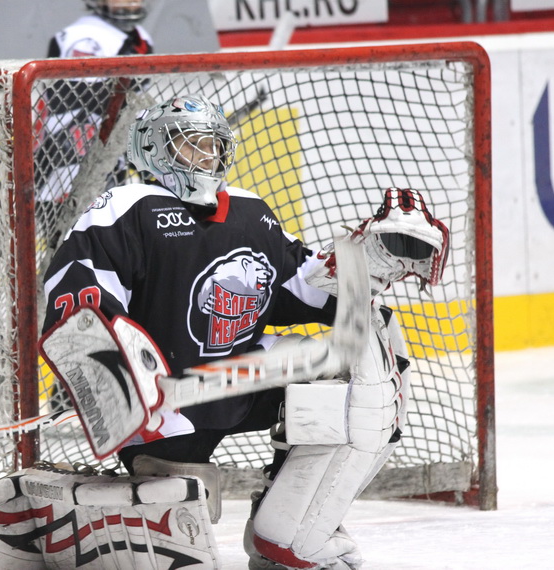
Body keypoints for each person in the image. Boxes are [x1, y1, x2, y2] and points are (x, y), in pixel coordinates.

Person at [37, 94, 449, 569]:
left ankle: (287, 532)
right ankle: (85, 508)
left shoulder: (251, 212)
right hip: (166, 404)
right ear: (152, 148)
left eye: (212, 145)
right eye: (189, 144)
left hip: (241, 380)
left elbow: (302, 284)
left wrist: (365, 264)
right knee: (177, 520)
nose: (205, 156)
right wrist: (119, 379)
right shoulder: (128, 206)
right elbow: (77, 295)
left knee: (362, 368)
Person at [35, 0, 153, 204]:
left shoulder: (139, 36)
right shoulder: (83, 38)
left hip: (110, 145)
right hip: (71, 149)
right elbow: (79, 102)